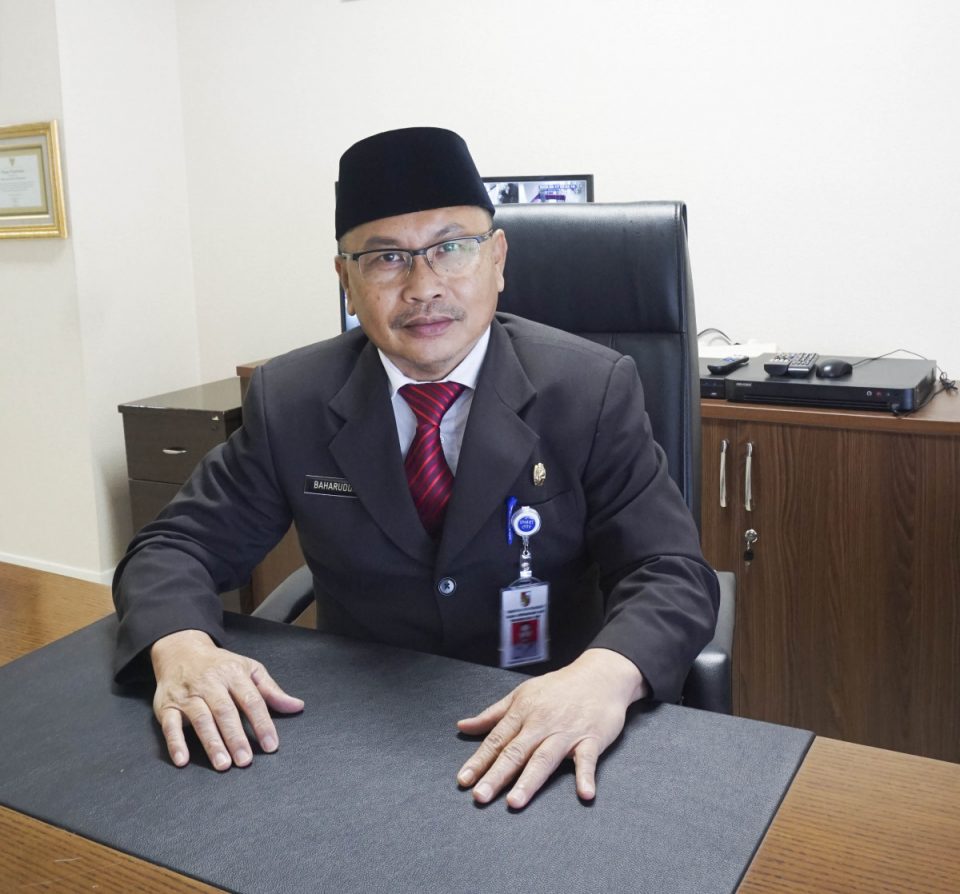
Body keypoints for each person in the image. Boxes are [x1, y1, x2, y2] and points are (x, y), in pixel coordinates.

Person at [113, 126, 719, 810]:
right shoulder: (293, 399)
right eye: (386, 258)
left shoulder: (590, 389)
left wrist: (605, 675)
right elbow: (174, 547)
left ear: (497, 259)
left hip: (549, 718)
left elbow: (671, 571)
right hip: (356, 731)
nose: (424, 287)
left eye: (452, 248)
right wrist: (181, 643)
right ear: (346, 280)